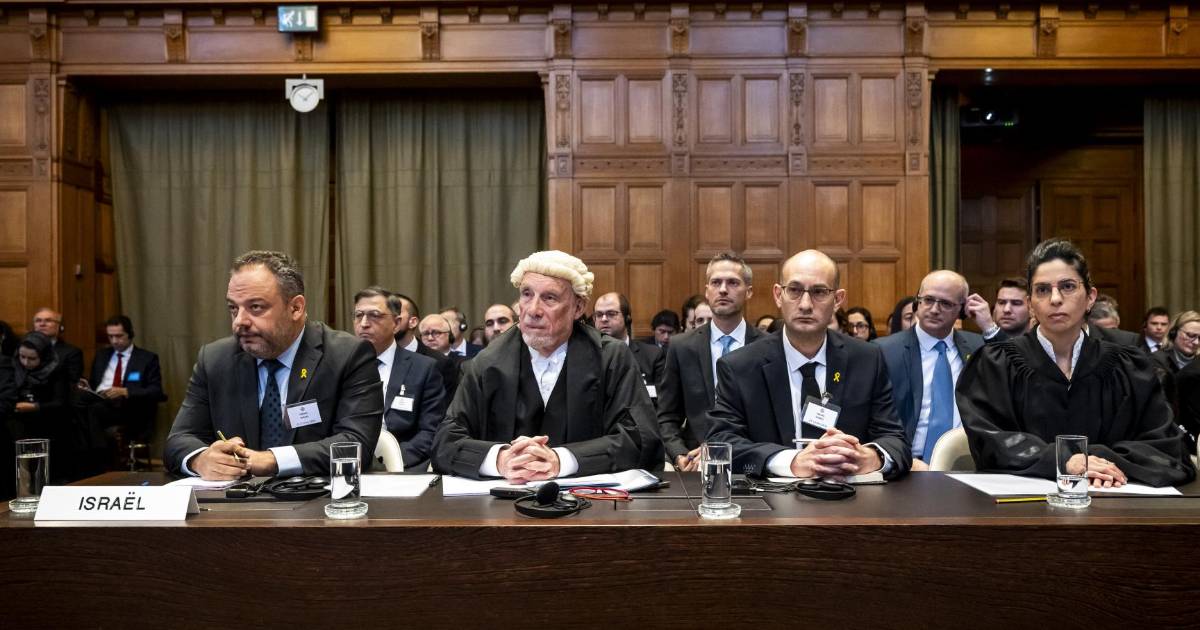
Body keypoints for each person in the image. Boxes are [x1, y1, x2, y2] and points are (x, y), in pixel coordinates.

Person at [957, 239, 1194, 487]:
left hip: (1115, 500)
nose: (1055, 299)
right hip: (1022, 504)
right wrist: (1065, 460)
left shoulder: (1129, 368)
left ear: (1090, 297)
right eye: (1042, 290)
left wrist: (1097, 461)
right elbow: (990, 443)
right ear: (1030, 304)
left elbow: (1167, 450)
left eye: (1068, 286)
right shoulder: (996, 364)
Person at [433, 250, 651, 482]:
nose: (532, 310)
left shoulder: (610, 358)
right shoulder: (486, 363)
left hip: (589, 499)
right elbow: (446, 442)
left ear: (578, 308)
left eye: (550, 298)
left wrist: (561, 460)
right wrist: (501, 460)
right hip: (504, 498)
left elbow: (638, 438)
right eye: (527, 294)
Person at [164, 251, 383, 480]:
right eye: (233, 308)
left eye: (256, 307)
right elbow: (178, 440)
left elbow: (356, 443)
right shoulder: (215, 359)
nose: (240, 321)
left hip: (323, 494)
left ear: (296, 308)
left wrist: (273, 460)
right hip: (241, 497)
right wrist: (200, 459)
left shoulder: (347, 355)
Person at [707, 250, 910, 479]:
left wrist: (870, 457)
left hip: (849, 493)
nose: (805, 304)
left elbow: (895, 439)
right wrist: (791, 461)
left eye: (819, 292)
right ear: (778, 295)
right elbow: (721, 442)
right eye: (794, 290)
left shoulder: (866, 360)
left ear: (838, 300)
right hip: (772, 496)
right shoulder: (740, 366)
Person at [657, 253, 765, 472]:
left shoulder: (767, 346)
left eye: (733, 282)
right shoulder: (681, 346)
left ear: (749, 291)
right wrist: (679, 454)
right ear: (707, 291)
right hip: (694, 465)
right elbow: (667, 416)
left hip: (752, 464)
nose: (723, 289)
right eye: (716, 283)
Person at [875, 271, 985, 467]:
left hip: (965, 465)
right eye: (928, 300)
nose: (934, 309)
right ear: (917, 303)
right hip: (906, 465)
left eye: (946, 303)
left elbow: (1016, 373)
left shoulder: (978, 348)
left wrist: (990, 327)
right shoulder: (883, 351)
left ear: (962, 309)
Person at [353, 287, 445, 471]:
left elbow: (431, 431)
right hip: (350, 464)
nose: (364, 323)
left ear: (396, 324)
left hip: (403, 467)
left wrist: (391, 461)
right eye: (358, 315)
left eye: (374, 315)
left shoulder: (423, 368)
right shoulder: (341, 366)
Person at [76, 315, 166, 476]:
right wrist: (88, 387)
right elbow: (95, 384)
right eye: (110, 336)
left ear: (130, 334)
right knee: (77, 405)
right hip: (100, 402)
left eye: (119, 336)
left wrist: (125, 391)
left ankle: (98, 461)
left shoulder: (146, 358)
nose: (114, 341)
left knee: (91, 410)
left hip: (129, 409)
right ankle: (87, 462)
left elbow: (156, 392)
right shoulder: (102, 355)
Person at [592, 291, 666, 470]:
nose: (604, 319)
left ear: (627, 318)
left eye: (611, 314)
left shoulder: (652, 355)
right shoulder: (587, 359)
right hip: (602, 445)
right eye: (599, 315)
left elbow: (663, 408)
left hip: (646, 438)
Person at [9, 332, 73, 482]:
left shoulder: (57, 370)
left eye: (32, 358)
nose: (25, 362)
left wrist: (35, 407)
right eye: (22, 357)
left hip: (50, 421)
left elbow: (61, 403)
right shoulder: (14, 367)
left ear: (43, 356)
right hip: (20, 419)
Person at [393, 293, 460, 401]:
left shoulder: (439, 362)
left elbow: (445, 408)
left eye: (396, 312)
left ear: (413, 322)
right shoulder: (372, 359)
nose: (390, 317)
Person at [1151, 310, 1200, 446]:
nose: (1196, 342)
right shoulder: (1157, 361)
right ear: (1174, 333)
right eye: (1190, 335)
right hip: (1168, 429)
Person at [31, 308, 84, 382]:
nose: (42, 324)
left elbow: (73, 383)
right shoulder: (22, 349)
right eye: (38, 321)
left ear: (59, 326)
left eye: (48, 320)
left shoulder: (72, 353)